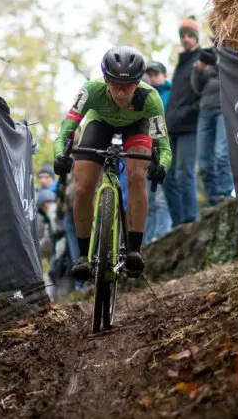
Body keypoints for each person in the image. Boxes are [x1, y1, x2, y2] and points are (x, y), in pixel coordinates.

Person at [52, 46, 173, 280]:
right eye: (115, 84)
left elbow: (164, 146)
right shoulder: (90, 90)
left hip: (137, 126)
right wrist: (60, 154)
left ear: (138, 83)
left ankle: (134, 251)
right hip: (100, 123)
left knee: (137, 176)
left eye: (127, 86)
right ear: (105, 80)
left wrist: (162, 165)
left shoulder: (151, 99)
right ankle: (83, 257)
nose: (120, 92)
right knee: (82, 187)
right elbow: (66, 131)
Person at [164, 16, 202, 226]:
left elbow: (201, 96)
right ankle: (178, 223)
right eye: (183, 36)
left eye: (190, 36)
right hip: (171, 128)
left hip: (189, 127)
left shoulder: (199, 61)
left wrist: (185, 113)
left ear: (196, 38)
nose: (186, 39)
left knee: (184, 173)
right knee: (168, 177)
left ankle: (190, 220)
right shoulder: (180, 64)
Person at [191, 44, 234, 206]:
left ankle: (225, 193)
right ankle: (213, 200)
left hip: (224, 108)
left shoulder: (231, 50)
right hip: (204, 111)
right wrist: (198, 69)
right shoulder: (206, 53)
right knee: (203, 161)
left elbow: (231, 77)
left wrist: (215, 62)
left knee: (221, 153)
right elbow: (196, 88)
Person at [144, 62, 174, 243]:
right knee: (150, 198)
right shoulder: (145, 96)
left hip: (165, 147)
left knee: (162, 195)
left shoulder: (171, 93)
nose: (152, 78)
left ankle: (163, 233)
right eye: (150, 75)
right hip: (146, 148)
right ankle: (148, 239)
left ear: (164, 75)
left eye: (156, 74)